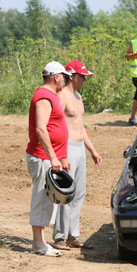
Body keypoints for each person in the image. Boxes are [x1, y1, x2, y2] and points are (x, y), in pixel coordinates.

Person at [52, 60, 102, 250]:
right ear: (70, 76)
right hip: (67, 148)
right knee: (64, 193)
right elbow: (56, 126)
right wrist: (61, 153)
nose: (84, 79)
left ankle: (73, 235)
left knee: (78, 193)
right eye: (81, 76)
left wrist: (92, 150)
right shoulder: (61, 96)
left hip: (79, 147)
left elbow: (80, 127)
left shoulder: (78, 97)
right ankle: (60, 236)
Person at [26, 61, 72, 257]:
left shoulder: (49, 95)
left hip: (49, 157)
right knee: (41, 198)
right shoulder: (44, 96)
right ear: (56, 77)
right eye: (64, 76)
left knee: (46, 200)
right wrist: (54, 157)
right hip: (42, 156)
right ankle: (38, 245)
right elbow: (40, 128)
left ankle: (41, 242)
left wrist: (61, 156)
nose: (65, 80)